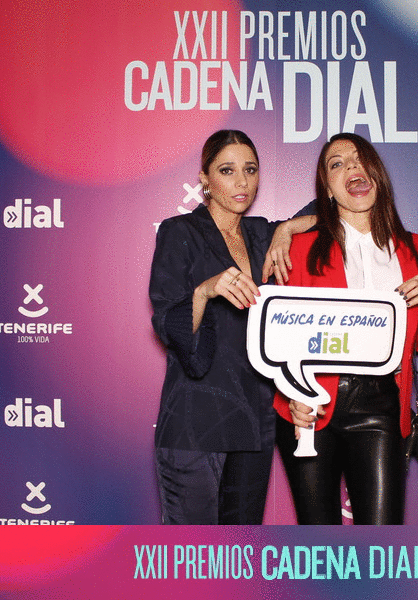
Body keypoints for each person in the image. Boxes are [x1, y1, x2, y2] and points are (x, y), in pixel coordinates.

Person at [274, 132, 418, 525]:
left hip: (381, 404)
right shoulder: (300, 248)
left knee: (382, 540)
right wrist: (294, 394)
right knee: (318, 544)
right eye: (336, 164)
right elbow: (283, 337)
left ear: (377, 174)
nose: (351, 165)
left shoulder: (416, 248)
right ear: (328, 189)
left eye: (359, 157)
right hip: (312, 403)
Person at [149, 130, 315, 524]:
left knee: (239, 554)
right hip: (195, 422)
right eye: (227, 170)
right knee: (193, 555)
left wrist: (287, 229)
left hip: (254, 423)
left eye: (250, 170)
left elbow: (335, 207)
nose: (241, 181)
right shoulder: (179, 232)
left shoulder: (262, 235)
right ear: (205, 178)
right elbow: (167, 325)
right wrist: (205, 291)